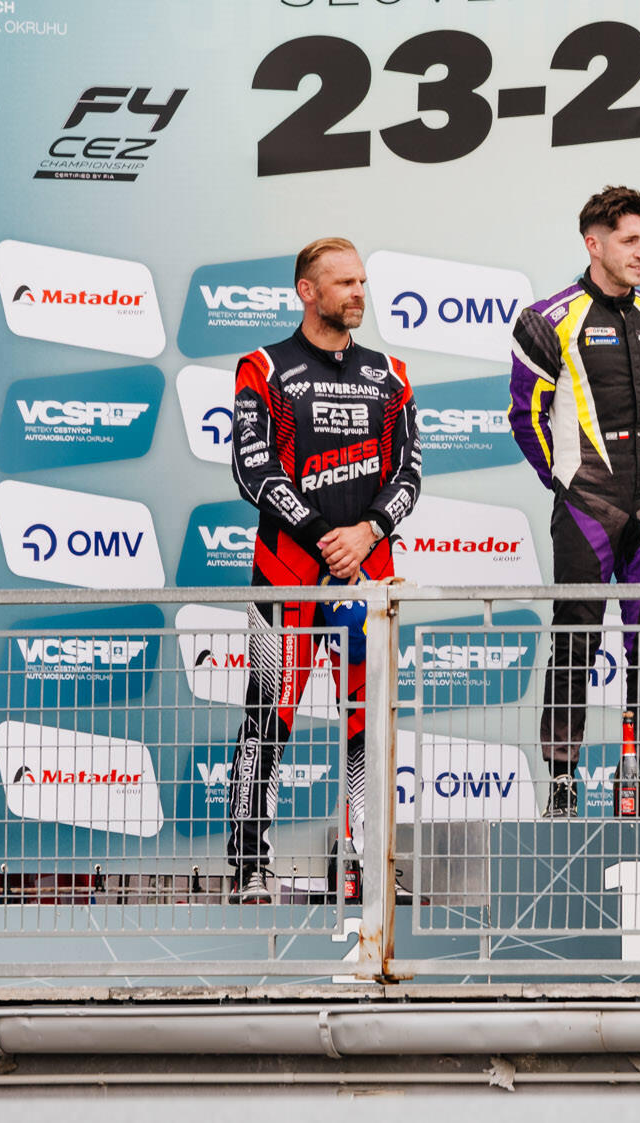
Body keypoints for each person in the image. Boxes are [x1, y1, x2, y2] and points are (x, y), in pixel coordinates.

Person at [228, 237, 422, 903]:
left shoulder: (390, 375)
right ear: (307, 291)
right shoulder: (264, 368)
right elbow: (253, 470)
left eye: (362, 281)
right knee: (267, 719)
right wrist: (322, 538)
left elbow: (409, 473)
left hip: (368, 580)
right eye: (344, 283)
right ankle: (250, 867)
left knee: (369, 725)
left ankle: (367, 864)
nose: (358, 292)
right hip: (286, 575)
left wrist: (366, 533)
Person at [508, 186, 640, 820]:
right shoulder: (547, 319)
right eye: (629, 240)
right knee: (575, 639)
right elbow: (525, 416)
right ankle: (563, 784)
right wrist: (565, 483)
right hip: (588, 501)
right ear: (594, 244)